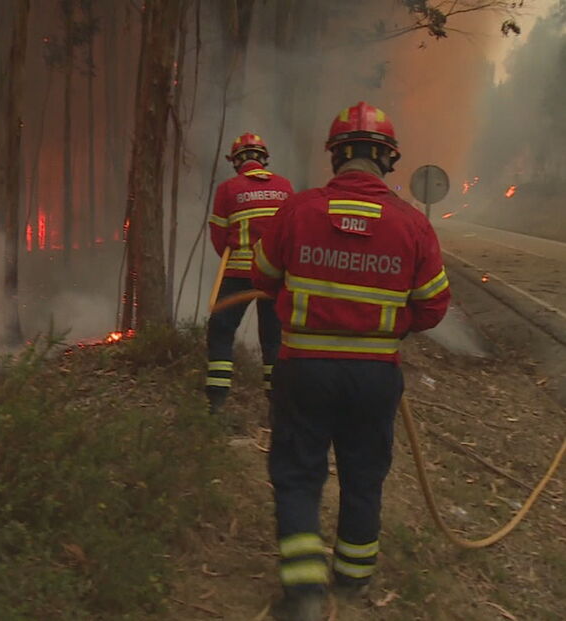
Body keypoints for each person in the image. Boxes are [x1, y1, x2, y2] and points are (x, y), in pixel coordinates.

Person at [250, 102, 450, 620]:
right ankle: (354, 580)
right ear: (388, 160)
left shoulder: (297, 210)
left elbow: (264, 278)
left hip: (303, 369)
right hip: (374, 377)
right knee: (364, 474)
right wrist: (388, 326)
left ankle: (303, 595)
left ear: (336, 155)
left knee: (298, 473)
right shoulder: (413, 225)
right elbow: (432, 307)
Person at [206, 133, 294, 415]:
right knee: (273, 338)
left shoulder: (228, 189)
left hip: (238, 275)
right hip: (277, 277)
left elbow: (219, 237)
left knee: (221, 329)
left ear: (236, 161)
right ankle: (275, 404)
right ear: (263, 159)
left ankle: (217, 402)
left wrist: (234, 257)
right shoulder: (284, 187)